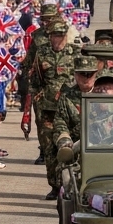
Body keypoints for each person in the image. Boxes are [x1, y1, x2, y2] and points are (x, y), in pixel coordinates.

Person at [34, 17, 79, 200]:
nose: (58, 39)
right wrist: (33, 107)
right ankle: (54, 185)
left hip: (69, 108)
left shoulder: (75, 53)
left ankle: (69, 185)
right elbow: (36, 82)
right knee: (50, 150)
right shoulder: (42, 53)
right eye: (55, 35)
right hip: (48, 109)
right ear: (50, 36)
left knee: (71, 147)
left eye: (62, 35)